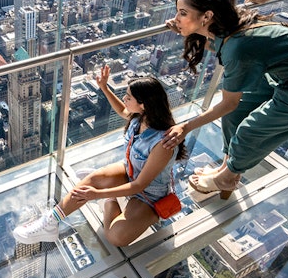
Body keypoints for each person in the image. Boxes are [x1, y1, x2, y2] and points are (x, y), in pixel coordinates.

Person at [163, 0, 288, 198]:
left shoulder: (238, 47)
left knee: (251, 131)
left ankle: (227, 177)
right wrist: (184, 27)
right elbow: (219, 54)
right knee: (236, 113)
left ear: (207, 16)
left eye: (182, 13)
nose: (176, 17)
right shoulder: (230, 30)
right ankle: (227, 168)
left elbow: (227, 102)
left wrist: (184, 127)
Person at [13, 65, 185, 247]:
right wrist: (104, 87)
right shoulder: (140, 118)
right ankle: (50, 222)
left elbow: (139, 185)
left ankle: (110, 200)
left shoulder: (163, 143)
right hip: (130, 172)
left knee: (116, 238)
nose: (124, 99)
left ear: (144, 104)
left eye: (128, 97)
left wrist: (99, 194)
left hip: (149, 195)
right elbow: (122, 111)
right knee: (92, 179)